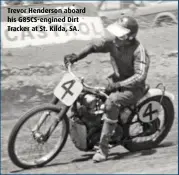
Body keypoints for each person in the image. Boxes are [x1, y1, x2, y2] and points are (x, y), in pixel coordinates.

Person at [64, 16, 150, 162]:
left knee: (111, 102)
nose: (115, 37)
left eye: (119, 34)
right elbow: (93, 46)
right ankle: (93, 128)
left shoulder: (139, 51)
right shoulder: (113, 43)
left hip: (134, 89)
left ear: (128, 37)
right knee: (89, 92)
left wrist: (119, 85)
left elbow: (140, 76)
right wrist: (76, 57)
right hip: (115, 81)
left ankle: (103, 149)